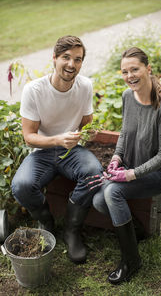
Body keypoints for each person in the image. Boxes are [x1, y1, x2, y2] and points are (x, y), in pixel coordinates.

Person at [11, 35, 103, 264]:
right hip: (42, 152)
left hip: (72, 151)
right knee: (21, 186)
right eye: (66, 57)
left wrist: (81, 134)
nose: (72, 64)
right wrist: (57, 139)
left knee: (94, 173)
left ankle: (71, 230)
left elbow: (87, 122)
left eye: (78, 59)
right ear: (54, 58)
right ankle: (47, 221)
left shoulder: (85, 86)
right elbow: (29, 137)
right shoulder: (34, 90)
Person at [92, 47, 161, 284]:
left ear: (148, 69)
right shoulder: (126, 96)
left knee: (112, 192)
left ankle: (131, 260)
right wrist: (117, 158)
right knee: (99, 201)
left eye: (135, 69)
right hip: (133, 163)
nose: (129, 75)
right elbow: (125, 131)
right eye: (124, 71)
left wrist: (131, 174)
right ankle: (138, 231)